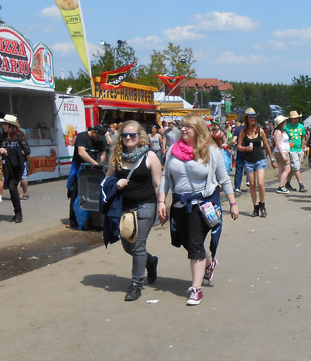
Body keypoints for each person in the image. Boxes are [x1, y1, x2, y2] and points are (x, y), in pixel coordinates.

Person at [158, 115, 239, 305]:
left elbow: (224, 179)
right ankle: (209, 264)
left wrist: (233, 204)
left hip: (202, 205)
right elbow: (165, 177)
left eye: (189, 127)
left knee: (194, 244)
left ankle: (196, 289)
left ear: (199, 130)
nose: (184, 129)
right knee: (186, 242)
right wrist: (162, 201)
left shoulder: (211, 151)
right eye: (182, 126)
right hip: (179, 204)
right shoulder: (172, 150)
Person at [105, 120, 162, 302]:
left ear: (140, 137)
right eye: (125, 135)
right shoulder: (117, 157)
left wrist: (161, 205)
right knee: (128, 246)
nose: (128, 138)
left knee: (138, 245)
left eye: (133, 135)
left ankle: (136, 284)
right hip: (124, 207)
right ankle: (150, 261)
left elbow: (158, 184)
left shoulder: (150, 156)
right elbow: (107, 181)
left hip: (146, 205)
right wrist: (117, 183)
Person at [237, 108, 277, 217]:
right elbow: (238, 146)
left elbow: (267, 145)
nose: (252, 119)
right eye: (250, 117)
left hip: (260, 159)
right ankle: (255, 207)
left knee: (260, 183)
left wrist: (272, 159)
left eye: (254, 117)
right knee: (252, 184)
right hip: (249, 161)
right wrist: (245, 148)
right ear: (247, 119)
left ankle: (262, 205)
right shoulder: (243, 132)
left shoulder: (260, 130)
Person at [66, 124, 107, 228]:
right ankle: (73, 220)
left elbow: (103, 153)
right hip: (80, 168)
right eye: (98, 137)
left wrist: (99, 163)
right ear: (93, 132)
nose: (99, 140)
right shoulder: (82, 136)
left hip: (94, 169)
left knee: (94, 193)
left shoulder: (101, 139)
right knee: (76, 193)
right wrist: (95, 163)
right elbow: (81, 152)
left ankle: (92, 219)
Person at [0, 114, 31, 223]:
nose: (3, 126)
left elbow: (26, 150)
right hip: (7, 164)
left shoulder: (19, 136)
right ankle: (17, 212)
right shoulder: (3, 136)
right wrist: (1, 150)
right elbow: (0, 147)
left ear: (11, 126)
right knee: (11, 187)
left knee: (12, 186)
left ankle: (18, 213)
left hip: (18, 165)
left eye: (5, 124)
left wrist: (10, 152)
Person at [284, 110, 308, 192]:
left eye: (297, 118)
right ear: (290, 119)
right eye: (294, 118)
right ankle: (301, 184)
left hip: (299, 149)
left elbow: (303, 137)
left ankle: (287, 183)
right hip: (291, 150)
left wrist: (303, 147)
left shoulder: (301, 126)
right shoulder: (286, 127)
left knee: (293, 168)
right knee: (296, 167)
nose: (296, 119)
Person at [272, 115, 292, 194]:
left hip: (282, 151)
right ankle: (281, 186)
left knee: (281, 168)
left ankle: (281, 184)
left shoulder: (281, 131)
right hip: (282, 152)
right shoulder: (278, 132)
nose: (285, 122)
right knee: (287, 169)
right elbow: (278, 143)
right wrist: (283, 155)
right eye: (284, 122)